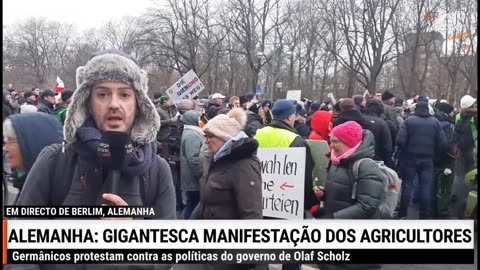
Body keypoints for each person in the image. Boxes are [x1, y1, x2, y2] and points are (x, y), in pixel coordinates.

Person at [11, 50, 176, 270]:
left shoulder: (157, 170)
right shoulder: (54, 160)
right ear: (87, 103)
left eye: (125, 94)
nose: (114, 104)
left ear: (139, 105)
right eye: (102, 94)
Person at [313, 121, 383, 270]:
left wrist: (333, 219)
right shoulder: (336, 161)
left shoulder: (366, 166)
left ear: (349, 142)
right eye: (330, 140)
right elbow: (343, 192)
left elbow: (367, 206)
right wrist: (324, 195)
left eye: (335, 141)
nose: (331, 145)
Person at [192, 107, 261, 219]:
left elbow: (252, 214)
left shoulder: (245, 165)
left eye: (210, 136)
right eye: (205, 136)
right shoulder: (217, 159)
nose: (206, 141)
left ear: (224, 136)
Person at [255, 99, 317, 213]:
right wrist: (309, 202)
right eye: (294, 114)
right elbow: (305, 177)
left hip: (260, 198)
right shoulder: (296, 140)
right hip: (286, 204)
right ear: (289, 117)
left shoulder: (258, 134)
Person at [396, 101, 447, 219]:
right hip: (428, 159)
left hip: (410, 158)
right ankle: (425, 215)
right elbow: (443, 142)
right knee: (426, 187)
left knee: (407, 185)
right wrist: (434, 153)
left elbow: (399, 141)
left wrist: (406, 150)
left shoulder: (409, 121)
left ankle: (402, 213)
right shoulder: (435, 122)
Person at [3, 113, 63, 198]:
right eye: (6, 141)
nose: (5, 148)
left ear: (32, 144)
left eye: (11, 141)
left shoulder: (49, 195)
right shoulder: (27, 183)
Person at [452, 94, 477, 219]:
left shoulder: (458, 116)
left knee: (460, 176)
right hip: (473, 151)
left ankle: (459, 203)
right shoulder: (475, 117)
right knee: (473, 177)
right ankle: (471, 205)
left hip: (461, 150)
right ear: (472, 105)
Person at [433, 102, 456, 218]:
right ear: (449, 113)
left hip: (432, 159)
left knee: (432, 186)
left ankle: (432, 208)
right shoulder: (448, 126)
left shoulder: (432, 122)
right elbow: (449, 145)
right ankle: (443, 211)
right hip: (446, 161)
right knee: (445, 188)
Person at [180, 110, 205, 219]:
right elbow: (193, 158)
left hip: (191, 177)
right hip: (193, 178)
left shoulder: (192, 133)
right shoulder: (192, 135)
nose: (200, 121)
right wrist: (200, 175)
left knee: (192, 203)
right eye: (198, 118)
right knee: (193, 205)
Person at [362, 100, 393, 167]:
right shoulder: (382, 123)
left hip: (359, 160)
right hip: (377, 160)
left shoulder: (358, 120)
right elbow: (387, 145)